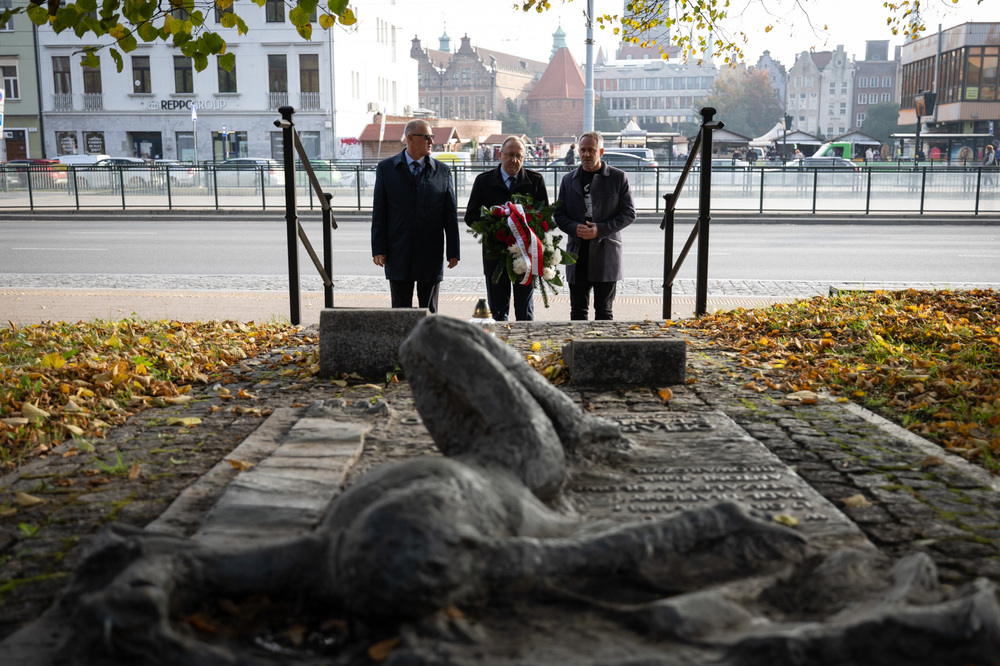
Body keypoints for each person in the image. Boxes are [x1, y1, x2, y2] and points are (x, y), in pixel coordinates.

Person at [371, 119, 460, 313]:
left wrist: (453, 251)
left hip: (430, 252)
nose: (432, 142)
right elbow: (380, 211)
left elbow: (450, 214)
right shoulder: (386, 169)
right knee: (400, 312)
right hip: (398, 250)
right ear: (410, 138)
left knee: (429, 312)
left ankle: (428, 336)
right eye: (427, 137)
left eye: (432, 137)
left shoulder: (442, 171)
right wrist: (378, 248)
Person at [465, 136, 549, 321]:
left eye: (519, 156)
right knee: (497, 310)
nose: (514, 160)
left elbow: (545, 218)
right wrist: (493, 226)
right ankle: (499, 339)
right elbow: (470, 217)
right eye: (510, 155)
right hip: (495, 254)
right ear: (500, 155)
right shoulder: (483, 181)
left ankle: (525, 339)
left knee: (525, 310)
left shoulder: (535, 180)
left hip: (526, 255)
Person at [554, 131, 636, 321]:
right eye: (582, 150)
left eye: (591, 150)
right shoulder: (568, 180)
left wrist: (600, 229)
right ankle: (578, 341)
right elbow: (559, 214)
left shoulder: (618, 178)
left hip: (606, 252)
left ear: (601, 151)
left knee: (604, 312)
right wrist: (574, 228)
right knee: (577, 312)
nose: (586, 154)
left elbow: (629, 213)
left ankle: (603, 341)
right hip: (577, 253)